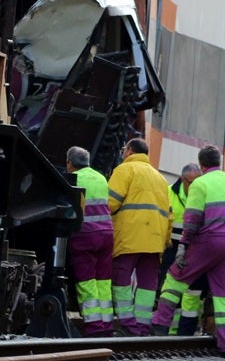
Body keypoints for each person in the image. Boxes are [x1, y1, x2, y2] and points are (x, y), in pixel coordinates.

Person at [150, 145, 225, 360]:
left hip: (208, 242)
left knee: (175, 278)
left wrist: (183, 246)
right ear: (219, 162)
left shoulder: (200, 183)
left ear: (201, 165)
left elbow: (192, 219)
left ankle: (159, 325)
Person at [108, 138, 173, 336]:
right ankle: (142, 326)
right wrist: (165, 241)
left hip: (130, 237)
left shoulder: (125, 170)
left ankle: (128, 323)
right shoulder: (160, 178)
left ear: (129, 150)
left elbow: (110, 202)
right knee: (148, 282)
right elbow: (170, 215)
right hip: (155, 240)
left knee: (121, 277)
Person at [65, 147, 116, 336]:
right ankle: (107, 326)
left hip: (85, 236)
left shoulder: (73, 179)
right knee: (103, 281)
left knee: (86, 281)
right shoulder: (101, 178)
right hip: (106, 235)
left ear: (70, 163)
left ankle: (94, 328)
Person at [160, 163, 202, 281]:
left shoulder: (203, 196)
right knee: (165, 280)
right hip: (169, 247)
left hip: (192, 248)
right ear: (182, 179)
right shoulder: (167, 192)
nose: (195, 186)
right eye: (192, 183)